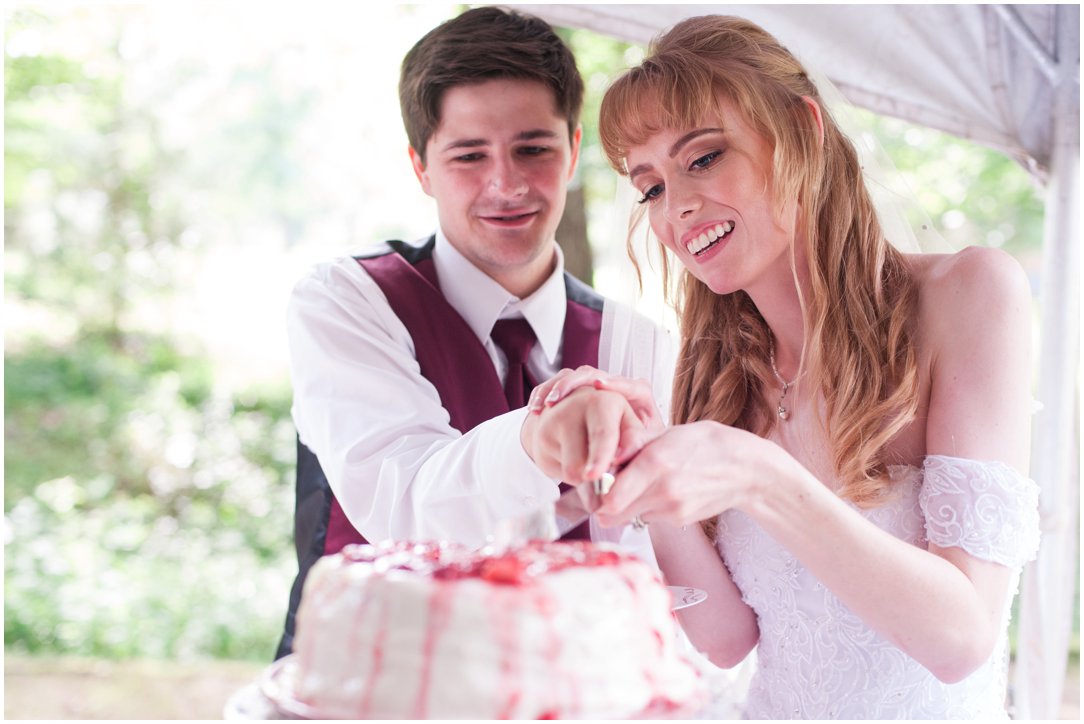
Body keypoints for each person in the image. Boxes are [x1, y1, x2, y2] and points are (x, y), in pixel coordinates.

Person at [524, 14, 1041, 719]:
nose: (677, 207)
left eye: (703, 158)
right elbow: (728, 639)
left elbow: (960, 638)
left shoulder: (969, 295)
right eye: (649, 186)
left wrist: (760, 475)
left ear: (804, 129)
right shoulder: (713, 372)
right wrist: (644, 476)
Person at [274, 6, 673, 660]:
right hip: (363, 689)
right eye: (468, 155)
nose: (507, 184)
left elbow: (646, 555)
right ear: (420, 167)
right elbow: (406, 504)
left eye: (533, 149)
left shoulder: (638, 344)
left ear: (573, 151)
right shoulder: (348, 302)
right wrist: (536, 438)